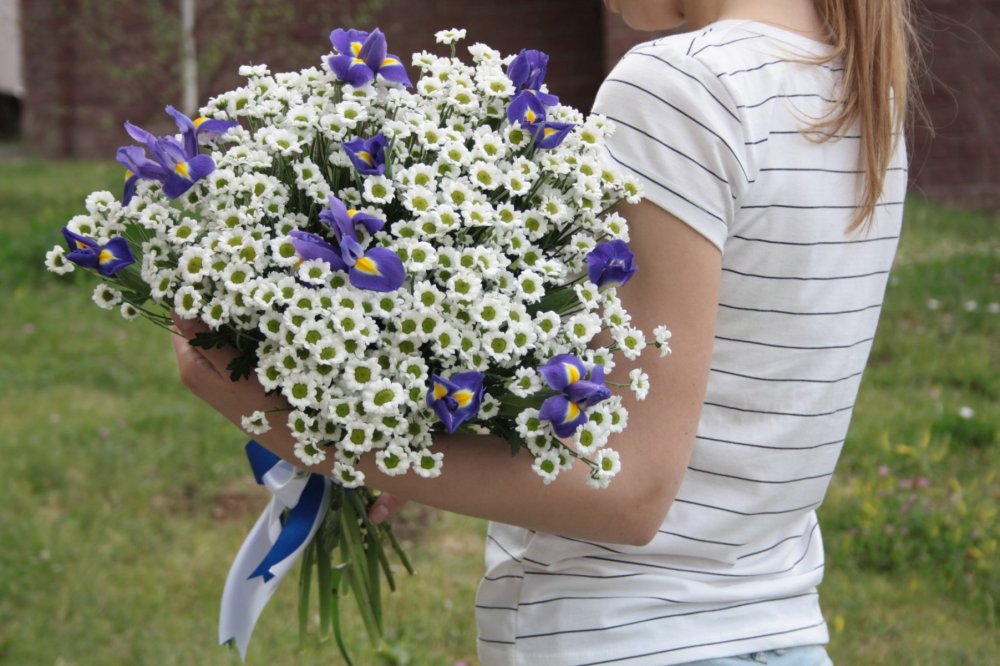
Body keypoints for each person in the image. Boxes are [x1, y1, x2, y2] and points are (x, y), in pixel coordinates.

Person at [172, 0, 916, 663]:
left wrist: (295, 426)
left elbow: (627, 491)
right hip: (775, 630)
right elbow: (710, 413)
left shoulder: (680, 88)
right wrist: (416, 427)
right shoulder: (856, 92)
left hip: (626, 635)